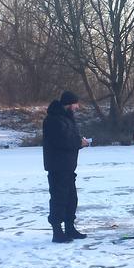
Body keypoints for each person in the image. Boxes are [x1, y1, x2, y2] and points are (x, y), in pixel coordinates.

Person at [42, 91, 90, 243]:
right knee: (59, 199)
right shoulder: (54, 120)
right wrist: (79, 143)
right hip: (57, 167)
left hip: (68, 167)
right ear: (69, 104)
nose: (77, 107)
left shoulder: (67, 118)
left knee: (71, 199)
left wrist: (79, 141)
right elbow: (61, 142)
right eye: (76, 104)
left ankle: (70, 228)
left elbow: (69, 138)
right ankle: (57, 232)